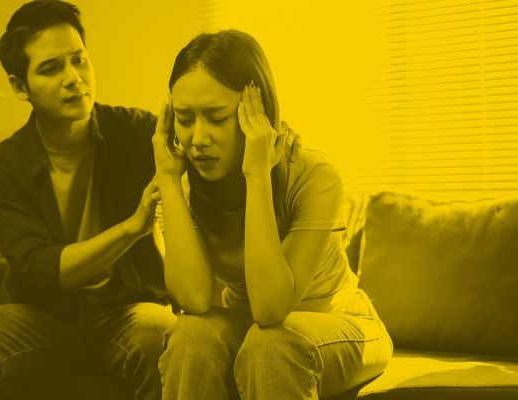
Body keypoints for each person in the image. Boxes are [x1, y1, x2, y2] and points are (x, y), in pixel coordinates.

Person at [0, 1, 176, 399]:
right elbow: (41, 270)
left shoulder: (137, 133)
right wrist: (133, 228)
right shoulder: (1, 169)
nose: (74, 78)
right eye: (50, 68)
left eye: (79, 60)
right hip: (41, 315)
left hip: (125, 309)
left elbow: (204, 158)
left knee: (163, 336)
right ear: (19, 86)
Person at [153, 30, 393, 399]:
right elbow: (195, 300)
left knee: (274, 344)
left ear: (257, 113)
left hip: (338, 321)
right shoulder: (187, 187)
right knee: (191, 334)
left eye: (216, 117)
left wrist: (257, 176)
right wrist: (168, 179)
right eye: (185, 119)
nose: (198, 138)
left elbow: (270, 307)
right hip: (251, 328)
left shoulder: (313, 176)